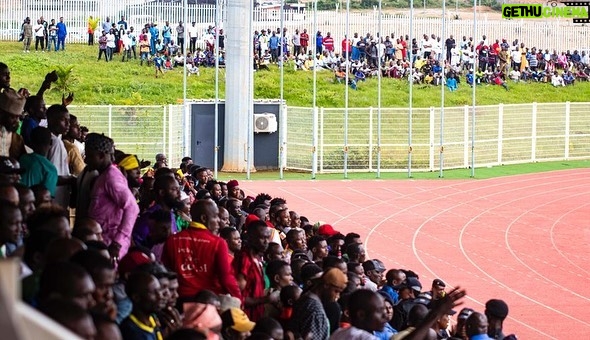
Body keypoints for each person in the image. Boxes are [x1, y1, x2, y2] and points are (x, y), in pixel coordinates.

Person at [162, 199, 241, 302]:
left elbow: (166, 271)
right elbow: (226, 278)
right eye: (215, 216)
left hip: (179, 301)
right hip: (207, 302)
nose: (218, 221)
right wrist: (239, 299)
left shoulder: (173, 240)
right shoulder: (217, 243)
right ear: (204, 218)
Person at [86, 133, 139, 260]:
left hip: (111, 245)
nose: (86, 160)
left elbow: (132, 207)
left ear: (101, 156)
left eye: (89, 156)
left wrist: (118, 242)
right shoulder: (103, 175)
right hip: (103, 241)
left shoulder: (111, 177)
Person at [289, 268, 347, 340]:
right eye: (336, 291)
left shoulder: (305, 298)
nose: (337, 296)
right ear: (326, 285)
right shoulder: (315, 310)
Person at [234, 220, 272, 321]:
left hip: (257, 315)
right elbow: (238, 297)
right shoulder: (244, 260)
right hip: (245, 318)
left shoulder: (258, 258)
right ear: (250, 238)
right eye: (262, 238)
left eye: (268, 238)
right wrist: (267, 299)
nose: (266, 242)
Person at [119, 271, 165, 340]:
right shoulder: (130, 331)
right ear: (136, 298)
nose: (160, 296)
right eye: (154, 293)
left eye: (159, 290)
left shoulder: (152, 319)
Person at [19, 127, 58, 197]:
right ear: (51, 142)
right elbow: (47, 198)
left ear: (31, 143)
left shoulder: (22, 158)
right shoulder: (50, 169)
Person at [0, 88, 26, 160]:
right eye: (13, 117)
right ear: (1, 114)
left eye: (18, 117)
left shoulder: (17, 139)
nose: (17, 121)